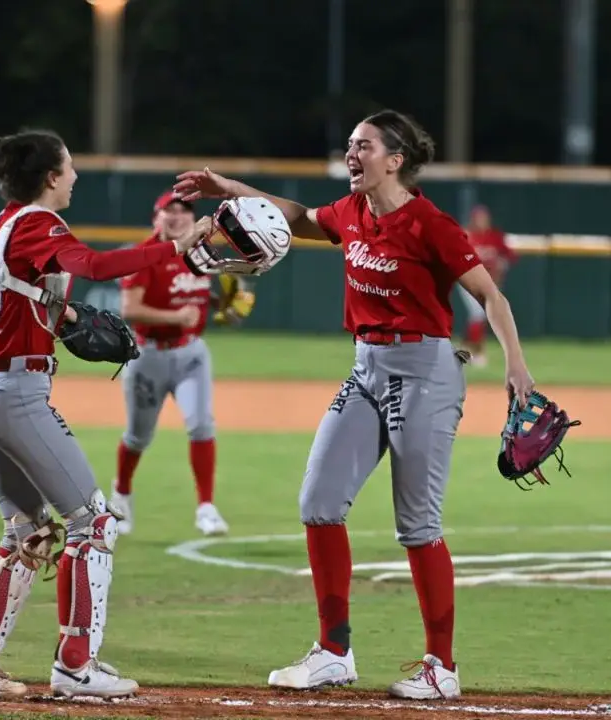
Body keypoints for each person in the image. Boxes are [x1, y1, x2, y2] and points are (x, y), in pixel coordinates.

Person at [173, 109, 536, 701]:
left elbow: (490, 295)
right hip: (366, 370)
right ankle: (333, 653)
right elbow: (290, 216)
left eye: (363, 145)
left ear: (394, 160)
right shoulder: (351, 213)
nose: (351, 153)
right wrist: (228, 188)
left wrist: (517, 365)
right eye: (349, 144)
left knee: (417, 526)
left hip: (425, 374)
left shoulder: (430, 225)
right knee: (318, 502)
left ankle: (441, 668)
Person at [0, 127, 210, 702]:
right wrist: (179, 247)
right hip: (15, 394)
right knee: (95, 522)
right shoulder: (40, 224)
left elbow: (30, 296)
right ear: (50, 177)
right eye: (69, 166)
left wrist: (63, 321)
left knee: (28, 533)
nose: (76, 175)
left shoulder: (3, 224)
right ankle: (76, 665)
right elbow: (93, 264)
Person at [109, 191, 230, 538]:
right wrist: (177, 316)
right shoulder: (145, 255)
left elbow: (201, 295)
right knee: (138, 436)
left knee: (202, 426)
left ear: (193, 219)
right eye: (169, 211)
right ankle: (122, 495)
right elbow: (130, 309)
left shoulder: (202, 251)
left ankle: (206, 508)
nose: (177, 217)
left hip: (191, 353)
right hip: (148, 356)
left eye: (184, 211)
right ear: (156, 218)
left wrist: (225, 305)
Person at [454, 204, 516, 366]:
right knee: (478, 313)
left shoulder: (495, 236)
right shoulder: (466, 235)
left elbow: (509, 256)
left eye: (484, 218)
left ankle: (465, 348)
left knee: (480, 315)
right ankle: (477, 352)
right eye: (478, 218)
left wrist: (502, 266)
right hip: (468, 282)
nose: (482, 221)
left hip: (489, 282)